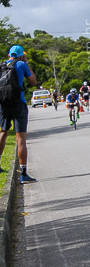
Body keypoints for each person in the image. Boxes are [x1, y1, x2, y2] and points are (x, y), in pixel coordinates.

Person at [0, 45, 38, 182]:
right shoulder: (21, 64)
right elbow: (33, 81)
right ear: (21, 55)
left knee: (3, 132)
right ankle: (23, 173)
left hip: (3, 104)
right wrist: (27, 63)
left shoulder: (2, 65)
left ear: (10, 54)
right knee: (20, 138)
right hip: (18, 103)